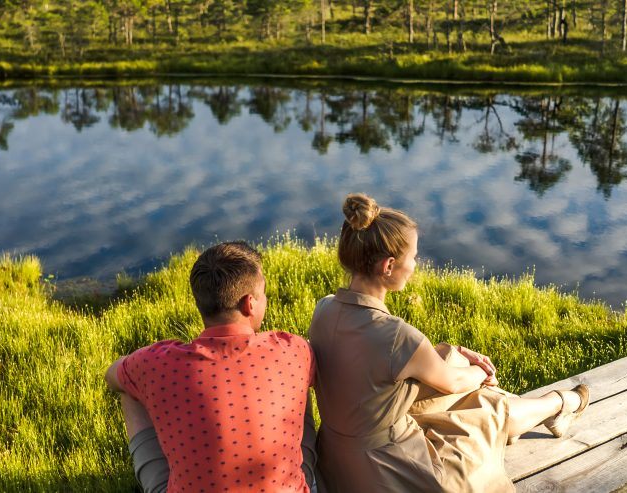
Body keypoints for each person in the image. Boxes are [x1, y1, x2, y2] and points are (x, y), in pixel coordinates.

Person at [309, 193, 590, 492]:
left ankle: (546, 412)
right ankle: (562, 402)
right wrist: (482, 371)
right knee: (489, 402)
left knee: (453, 365)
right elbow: (454, 382)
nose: (416, 265)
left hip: (336, 465)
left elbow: (383, 368)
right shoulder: (396, 335)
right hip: (386, 473)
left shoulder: (324, 310)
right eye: (414, 257)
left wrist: (451, 353)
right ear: (389, 265)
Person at [105, 241, 318, 493]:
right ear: (250, 303)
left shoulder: (156, 364)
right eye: (263, 294)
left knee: (129, 386)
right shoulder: (291, 350)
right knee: (297, 383)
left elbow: (112, 375)